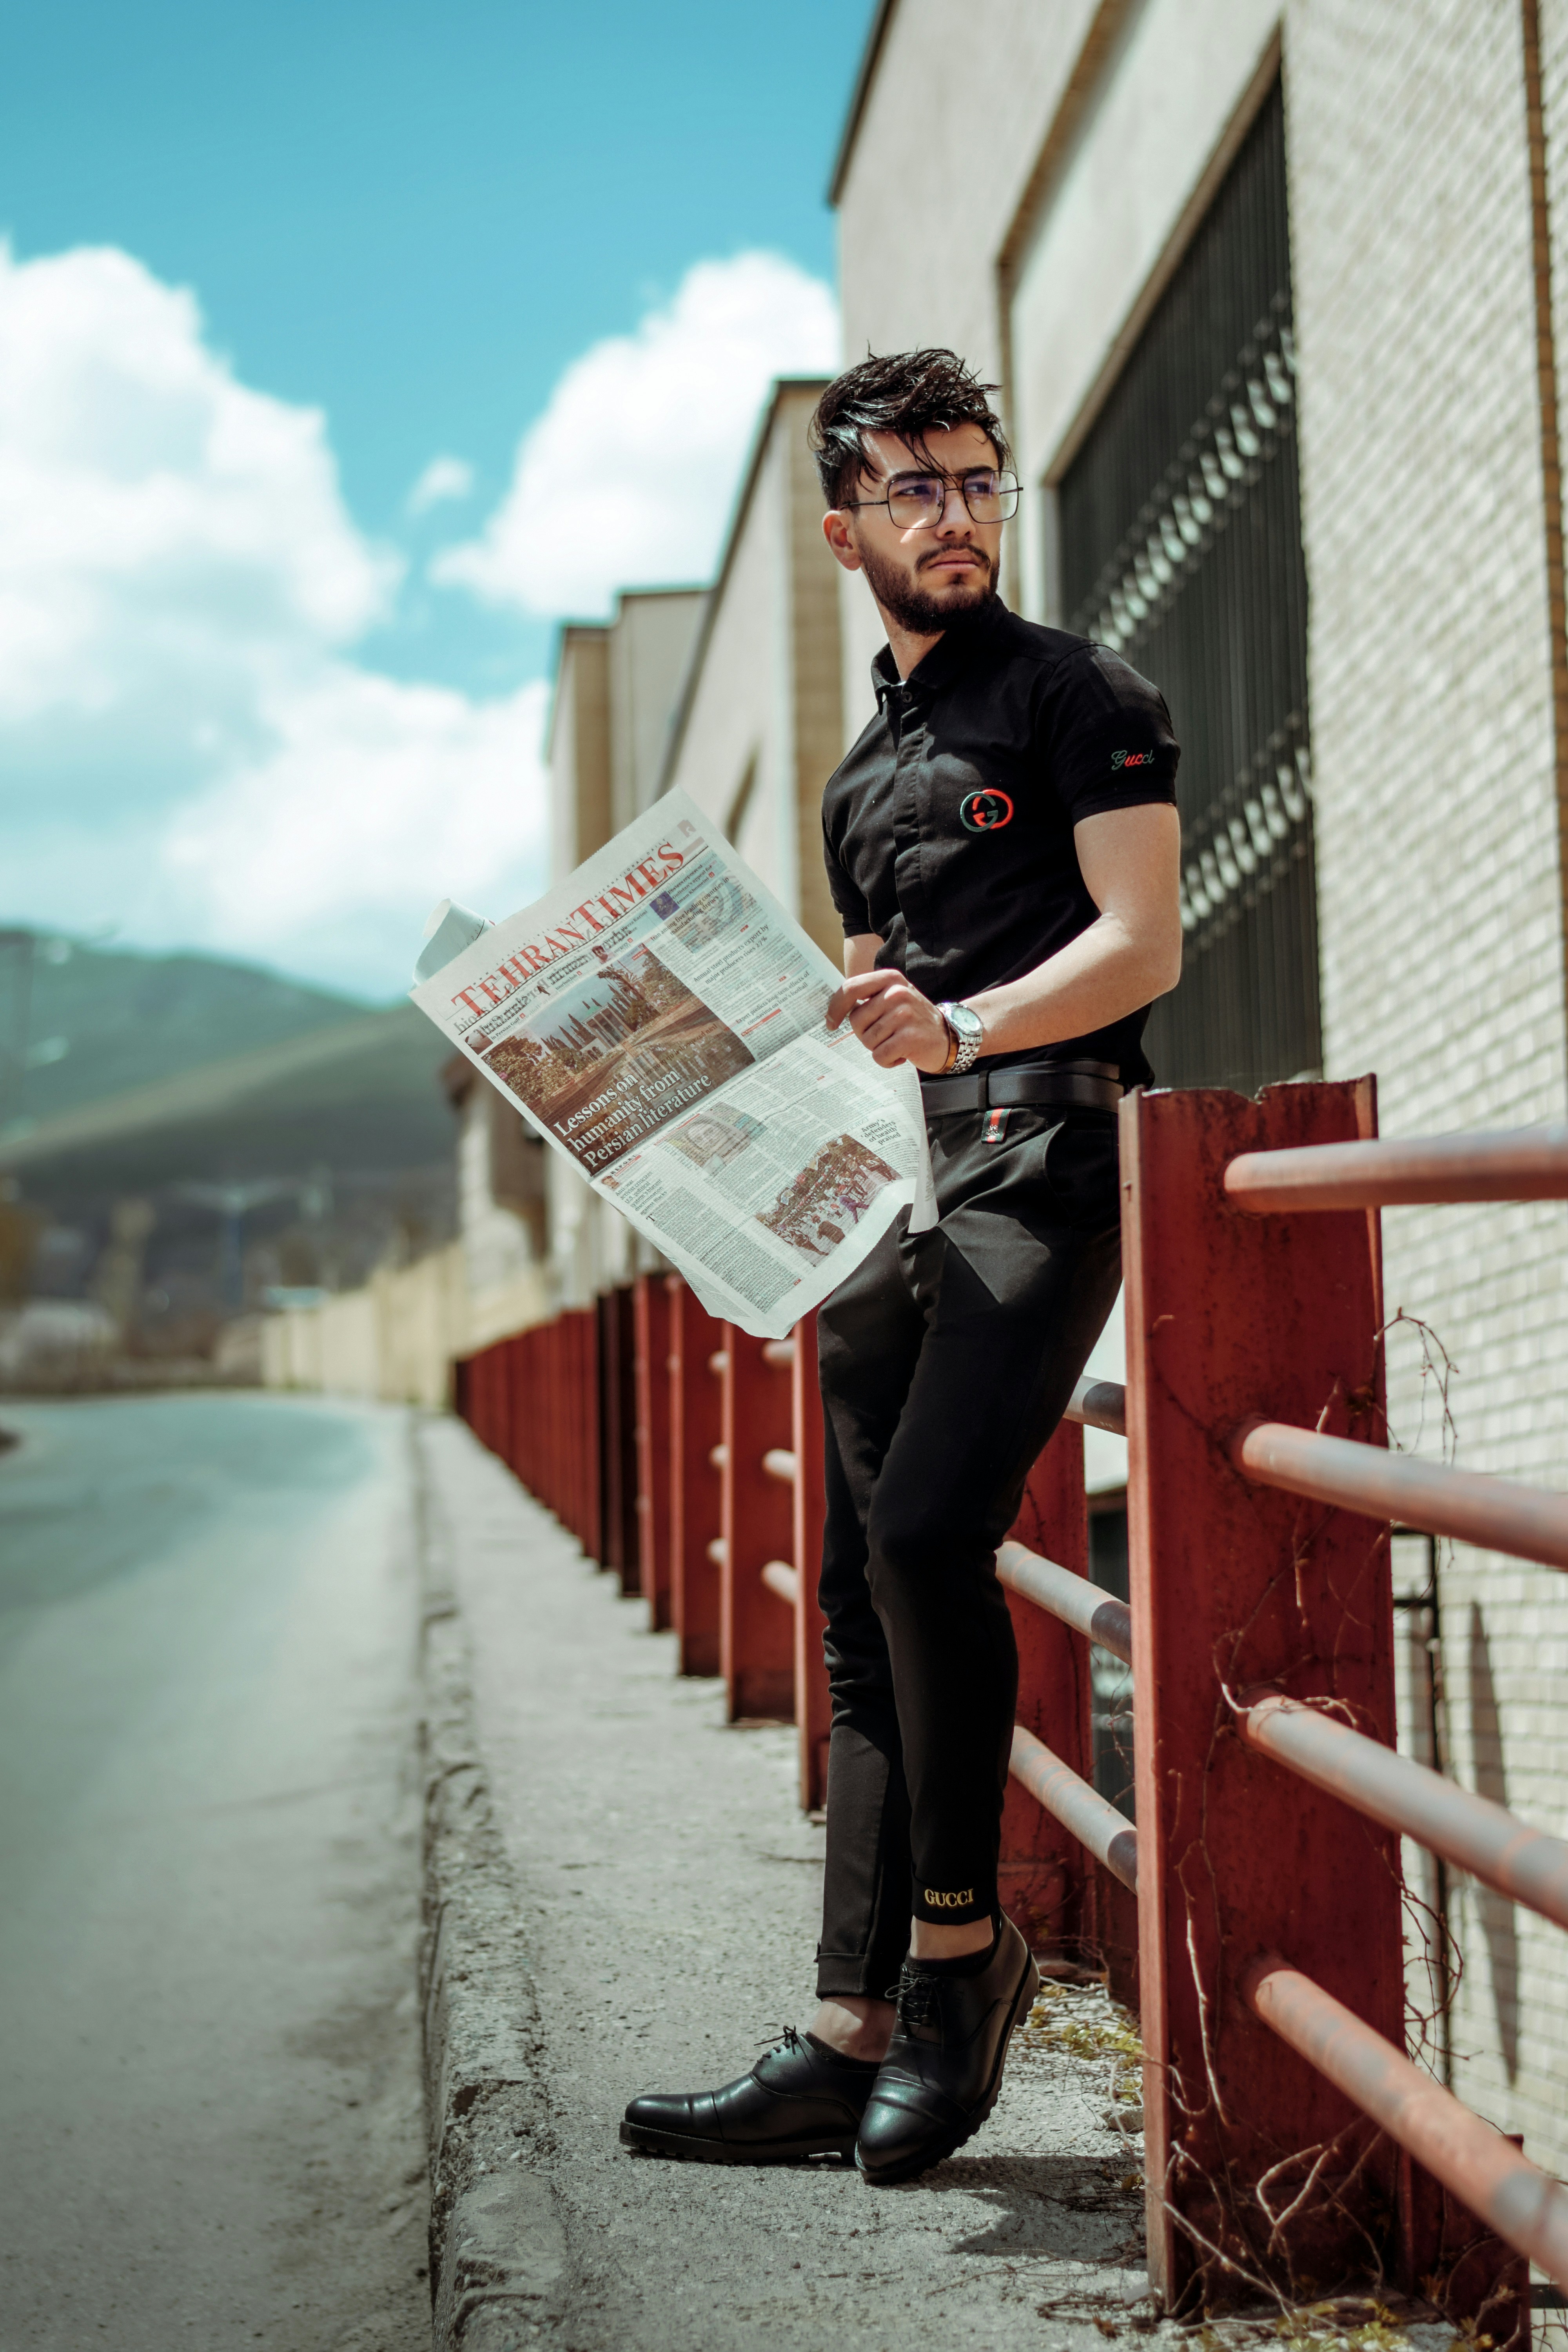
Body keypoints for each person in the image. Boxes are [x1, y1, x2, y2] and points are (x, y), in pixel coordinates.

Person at [622, 348, 1182, 2184]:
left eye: (977, 480)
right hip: (894, 1180)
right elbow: (868, 1017)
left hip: (1048, 1153)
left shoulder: (1078, 693)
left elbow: (1141, 944)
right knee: (862, 1595)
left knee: (937, 1532)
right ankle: (846, 2025)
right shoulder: (862, 776)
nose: (955, 513)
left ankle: (964, 1961)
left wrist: (962, 1028)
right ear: (845, 519)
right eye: (916, 487)